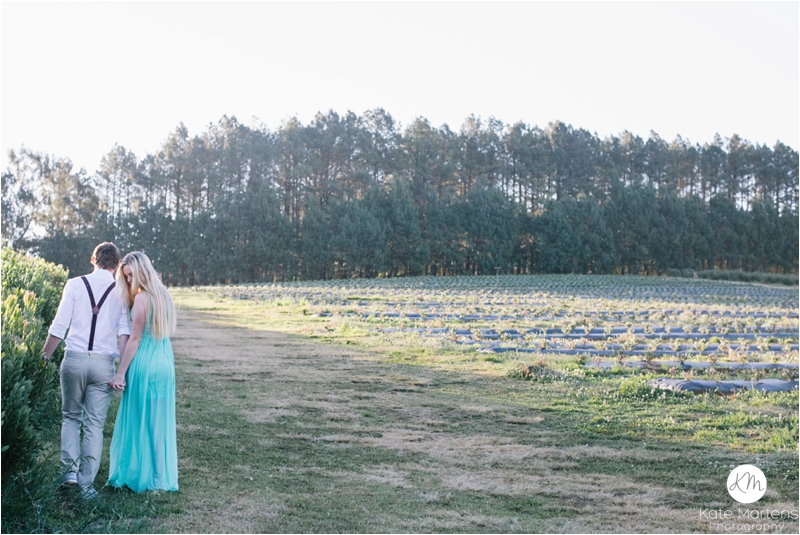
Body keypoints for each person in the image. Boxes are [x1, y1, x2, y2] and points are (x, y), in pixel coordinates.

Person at [43, 242, 132, 500]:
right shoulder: (120, 290)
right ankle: (86, 486)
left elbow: (59, 327)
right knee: (94, 424)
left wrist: (44, 358)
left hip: (74, 360)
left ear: (93, 259)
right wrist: (121, 370)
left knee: (71, 416)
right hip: (103, 365)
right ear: (117, 264)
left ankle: (69, 472)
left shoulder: (74, 284)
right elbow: (124, 332)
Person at [107, 251, 178, 492]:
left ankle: (140, 474)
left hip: (145, 360)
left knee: (140, 418)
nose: (127, 281)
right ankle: (159, 477)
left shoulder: (141, 299)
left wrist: (120, 373)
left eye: (130, 276)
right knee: (158, 421)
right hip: (164, 359)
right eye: (125, 277)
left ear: (141, 272)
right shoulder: (164, 295)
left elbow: (135, 339)